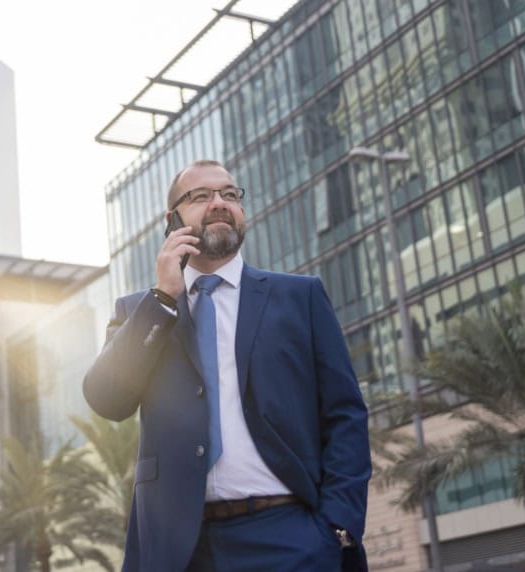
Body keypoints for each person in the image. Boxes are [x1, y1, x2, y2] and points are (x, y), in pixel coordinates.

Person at [83, 160, 371, 571]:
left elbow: (345, 416)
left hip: (292, 539)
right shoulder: (139, 311)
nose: (219, 203)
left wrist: (337, 526)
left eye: (230, 195)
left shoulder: (299, 298)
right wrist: (164, 298)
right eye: (201, 196)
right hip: (181, 551)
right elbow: (108, 399)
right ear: (172, 221)